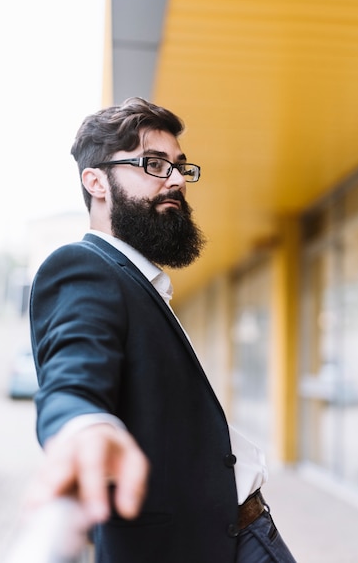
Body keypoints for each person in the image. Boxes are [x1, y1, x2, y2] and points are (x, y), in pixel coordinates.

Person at [29, 97, 297, 563]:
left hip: (239, 532)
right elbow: (72, 375)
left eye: (179, 167)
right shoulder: (83, 268)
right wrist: (82, 426)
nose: (175, 179)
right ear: (96, 182)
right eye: (153, 164)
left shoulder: (140, 282)